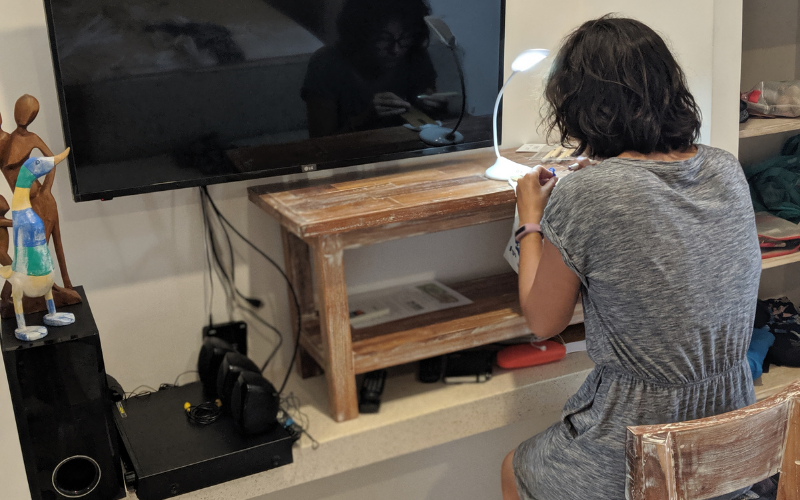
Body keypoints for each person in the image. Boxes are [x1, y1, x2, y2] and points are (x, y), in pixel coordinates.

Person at [501, 16, 760, 500]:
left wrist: (530, 220)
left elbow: (543, 321)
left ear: (579, 106)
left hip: (645, 444)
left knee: (515, 468)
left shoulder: (590, 193)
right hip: (732, 441)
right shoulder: (725, 166)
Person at [301, 0, 448, 137]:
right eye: (383, 38)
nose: (395, 49)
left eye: (405, 37)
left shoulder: (415, 56)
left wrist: (435, 107)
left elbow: (431, 128)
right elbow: (319, 145)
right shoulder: (327, 64)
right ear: (360, 35)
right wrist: (365, 119)